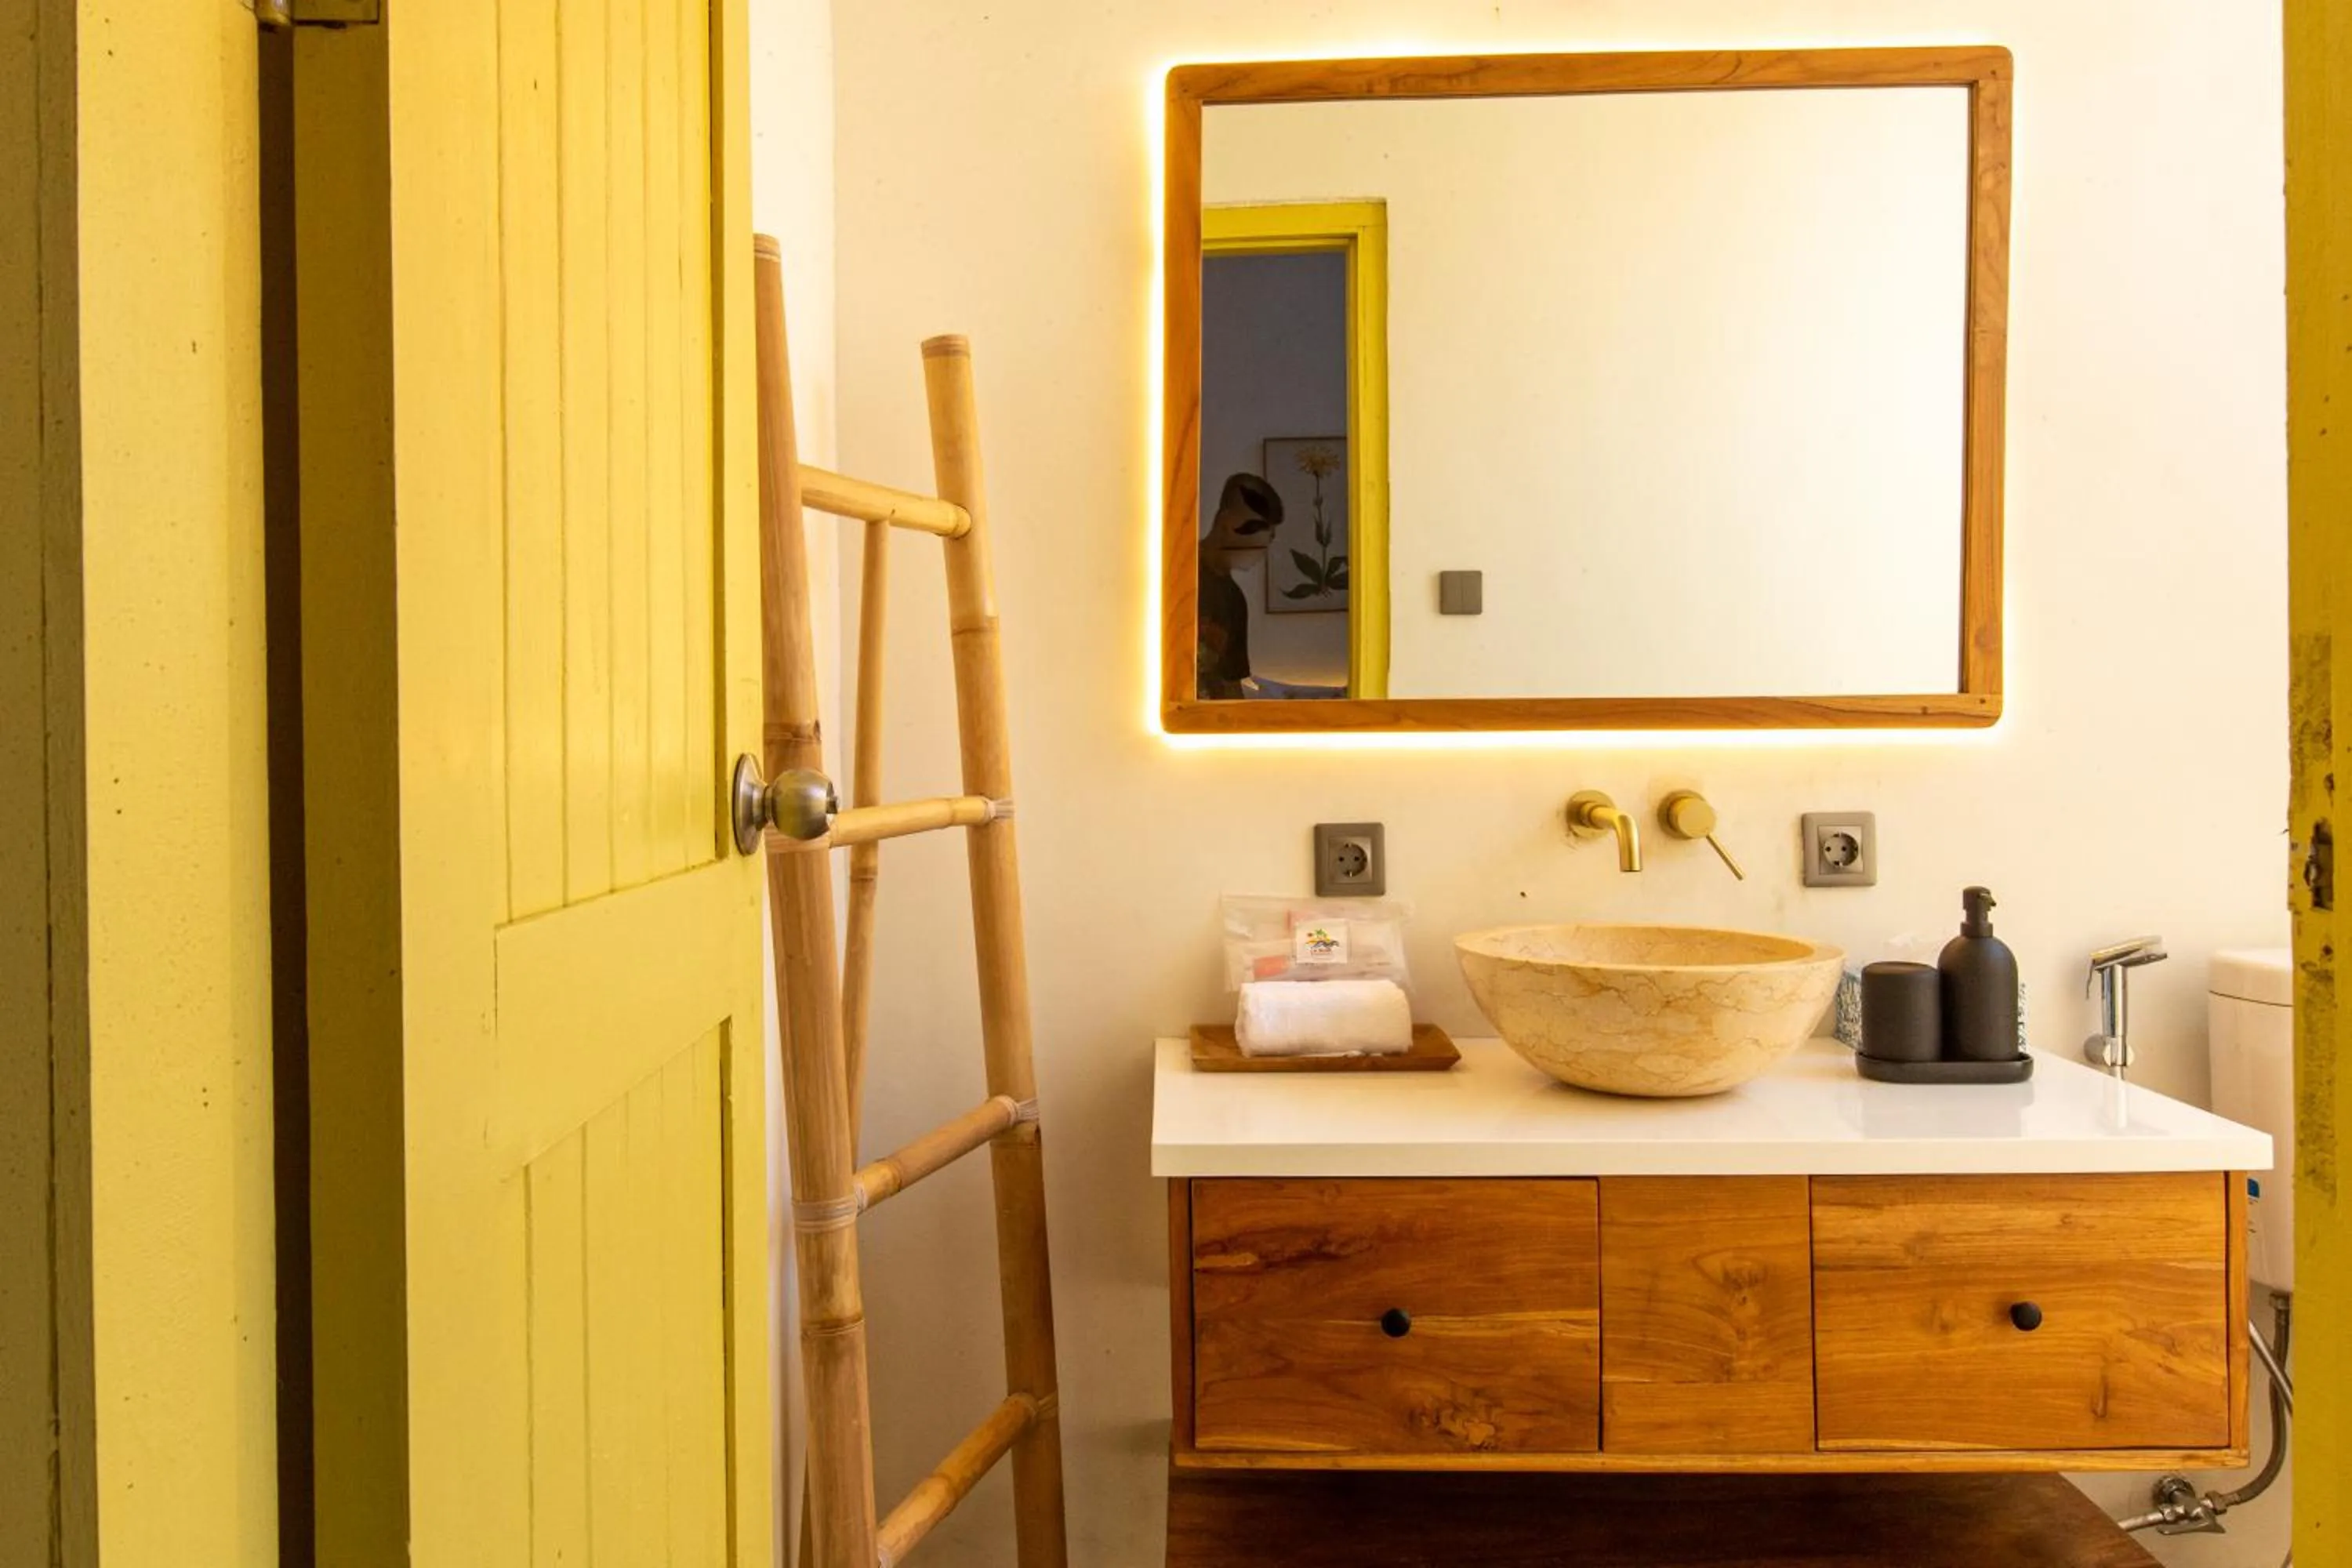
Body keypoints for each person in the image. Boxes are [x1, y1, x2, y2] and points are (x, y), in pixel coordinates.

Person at [1197, 472, 1283, 699]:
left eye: (1271, 535)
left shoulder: (1234, 598)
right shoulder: (1180, 574)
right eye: (1256, 529)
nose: (1264, 543)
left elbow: (1232, 682)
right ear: (1227, 523)